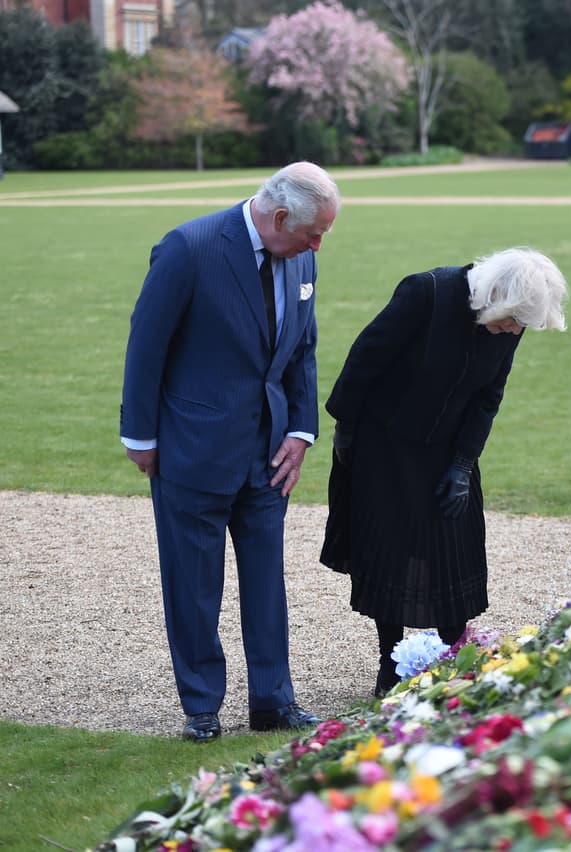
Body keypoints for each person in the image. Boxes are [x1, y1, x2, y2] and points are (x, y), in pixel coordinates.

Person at [120, 161, 341, 742]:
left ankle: (274, 701)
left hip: (268, 454)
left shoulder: (301, 256)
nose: (319, 244)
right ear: (277, 217)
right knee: (193, 584)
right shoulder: (188, 249)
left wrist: (301, 429)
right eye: (313, 231)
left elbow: (303, 350)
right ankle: (201, 707)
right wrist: (140, 436)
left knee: (267, 583)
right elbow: (146, 345)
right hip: (192, 450)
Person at [320, 246, 568, 695]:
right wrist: (346, 429)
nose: (513, 330)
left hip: (448, 448)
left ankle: (458, 655)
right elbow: (365, 359)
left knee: (458, 546)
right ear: (495, 294)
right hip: (385, 444)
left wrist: (462, 464)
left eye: (520, 326)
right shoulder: (426, 292)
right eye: (513, 320)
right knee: (391, 550)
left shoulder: (509, 319)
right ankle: (389, 663)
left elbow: (488, 395)